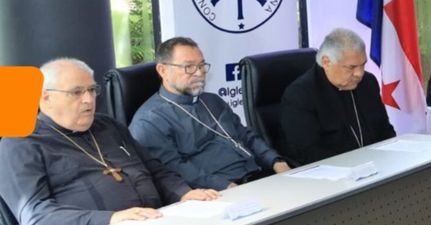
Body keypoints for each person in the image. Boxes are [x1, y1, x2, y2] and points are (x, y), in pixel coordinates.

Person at [0, 58, 218, 225]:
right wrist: (111, 219)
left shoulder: (108, 126)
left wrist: (183, 192)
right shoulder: (20, 142)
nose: (88, 99)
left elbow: (155, 169)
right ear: (45, 96)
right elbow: (36, 215)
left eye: (92, 90)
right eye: (76, 92)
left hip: (160, 218)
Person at [130, 37, 290, 191]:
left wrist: (276, 162)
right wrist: (227, 188)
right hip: (219, 192)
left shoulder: (212, 101)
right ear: (163, 70)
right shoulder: (149, 121)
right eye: (189, 67)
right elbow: (175, 170)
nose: (199, 73)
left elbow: (246, 135)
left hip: (260, 177)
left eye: (201, 65)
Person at [279, 28, 396, 166]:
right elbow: (308, 152)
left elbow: (385, 131)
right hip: (332, 175)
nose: (359, 73)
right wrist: (356, 166)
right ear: (326, 63)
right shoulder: (300, 94)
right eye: (351, 67)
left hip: (376, 167)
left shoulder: (368, 83)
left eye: (363, 65)